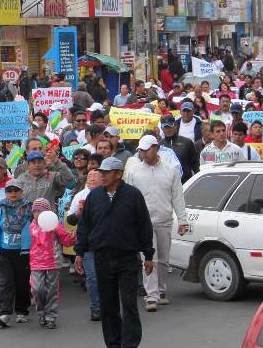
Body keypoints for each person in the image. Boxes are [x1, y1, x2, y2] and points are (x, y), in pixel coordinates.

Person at [74, 157, 154, 348]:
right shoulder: (94, 196)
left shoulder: (133, 195)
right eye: (100, 172)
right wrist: (79, 252)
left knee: (129, 304)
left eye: (106, 172)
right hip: (101, 258)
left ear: (118, 174)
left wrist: (148, 255)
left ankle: (130, 343)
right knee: (108, 306)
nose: (102, 176)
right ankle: (113, 343)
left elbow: (144, 225)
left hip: (127, 258)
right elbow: (85, 226)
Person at [125, 136, 188, 312]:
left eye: (147, 149)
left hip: (164, 220)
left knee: (163, 260)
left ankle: (160, 291)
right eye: (141, 150)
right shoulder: (134, 171)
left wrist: (182, 220)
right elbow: (129, 199)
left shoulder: (170, 171)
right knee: (148, 258)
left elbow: (177, 196)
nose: (143, 153)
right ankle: (151, 296)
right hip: (143, 223)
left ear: (156, 148)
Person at [0, 179, 33, 327]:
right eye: (10, 190)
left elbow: (37, 227)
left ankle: (22, 311)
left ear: (21, 191)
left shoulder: (29, 208)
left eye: (16, 190)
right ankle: (4, 313)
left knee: (22, 283)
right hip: (3, 251)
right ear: (6, 192)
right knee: (6, 282)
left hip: (23, 252)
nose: (13, 193)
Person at [29, 198, 76, 329]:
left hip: (52, 262)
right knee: (37, 289)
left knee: (51, 290)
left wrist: (71, 237)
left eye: (40, 211)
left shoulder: (54, 224)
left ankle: (51, 316)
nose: (37, 214)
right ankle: (41, 312)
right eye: (35, 211)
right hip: (36, 263)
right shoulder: (31, 225)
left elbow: (65, 239)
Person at [66, 170, 102, 321]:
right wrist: (78, 214)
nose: (92, 178)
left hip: (106, 244)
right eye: (89, 176)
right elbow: (71, 220)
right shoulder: (80, 196)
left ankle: (108, 305)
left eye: (95, 175)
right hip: (88, 245)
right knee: (92, 278)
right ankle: (96, 308)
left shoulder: (109, 195)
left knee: (106, 277)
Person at [160, 115, 200, 183]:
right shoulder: (159, 145)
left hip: (186, 182)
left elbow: (195, 164)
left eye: (170, 126)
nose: (168, 129)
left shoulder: (187, 142)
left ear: (175, 126)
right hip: (167, 184)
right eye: (165, 127)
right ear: (162, 128)